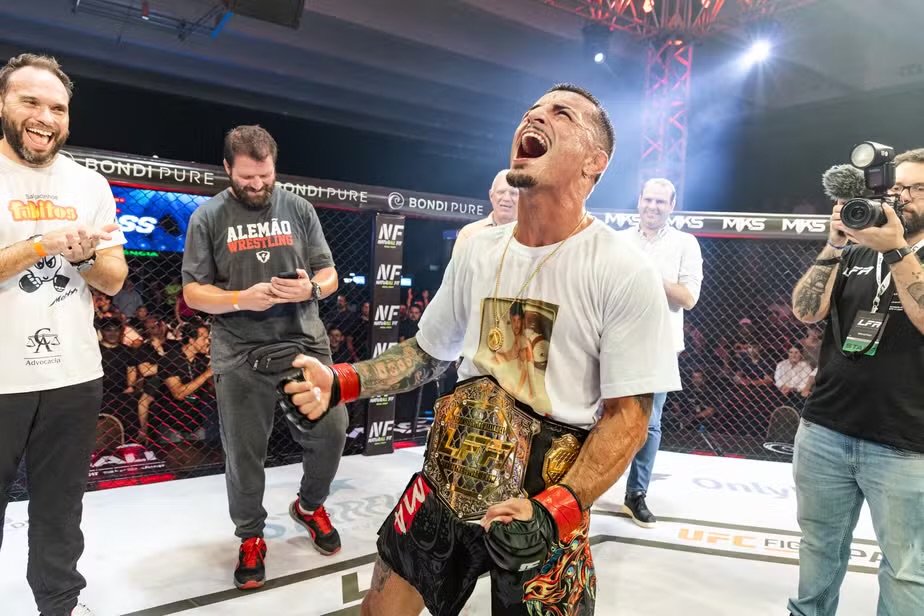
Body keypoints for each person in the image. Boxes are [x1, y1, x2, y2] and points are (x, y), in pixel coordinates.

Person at [282, 84, 679, 616]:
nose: (534, 118)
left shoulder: (622, 268)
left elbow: (629, 416)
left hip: (542, 493)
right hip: (452, 467)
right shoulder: (479, 251)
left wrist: (558, 510)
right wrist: (342, 382)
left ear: (593, 164)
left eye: (560, 114)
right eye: (530, 110)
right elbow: (428, 353)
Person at [181, 125, 346, 591]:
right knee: (244, 454)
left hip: (303, 341)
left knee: (332, 432)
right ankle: (251, 536)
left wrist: (312, 288)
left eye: (265, 176)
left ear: (275, 168)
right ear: (229, 168)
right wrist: (238, 299)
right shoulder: (208, 216)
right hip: (239, 350)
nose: (257, 186)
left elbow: (329, 273)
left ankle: (309, 507)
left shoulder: (298, 207)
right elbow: (194, 292)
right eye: (247, 177)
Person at [0, 53, 128, 616]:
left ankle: (60, 604)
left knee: (60, 507)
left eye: (57, 107)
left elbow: (115, 277)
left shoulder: (88, 182)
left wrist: (83, 258)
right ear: (4, 104)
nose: (44, 117)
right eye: (30, 101)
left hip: (74, 375)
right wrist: (41, 245)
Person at [788, 148, 924, 616]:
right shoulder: (859, 246)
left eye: (918, 189)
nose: (903, 197)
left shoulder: (894, 248)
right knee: (818, 549)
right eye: (898, 187)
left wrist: (897, 250)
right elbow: (807, 311)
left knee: (906, 569)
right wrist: (835, 245)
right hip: (826, 426)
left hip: (906, 442)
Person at [618, 178, 703, 527]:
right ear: (638, 201)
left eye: (660, 201)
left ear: (672, 205)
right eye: (648, 199)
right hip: (616, 342)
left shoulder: (685, 243)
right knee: (592, 416)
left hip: (660, 346)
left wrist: (649, 275)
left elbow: (688, 297)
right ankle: (581, 492)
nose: (653, 206)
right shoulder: (618, 240)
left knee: (649, 425)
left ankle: (635, 494)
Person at [452, 168, 520, 258]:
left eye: (513, 193)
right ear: (491, 196)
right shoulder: (469, 234)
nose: (506, 198)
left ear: (522, 198)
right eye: (501, 192)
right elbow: (457, 271)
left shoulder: (533, 237)